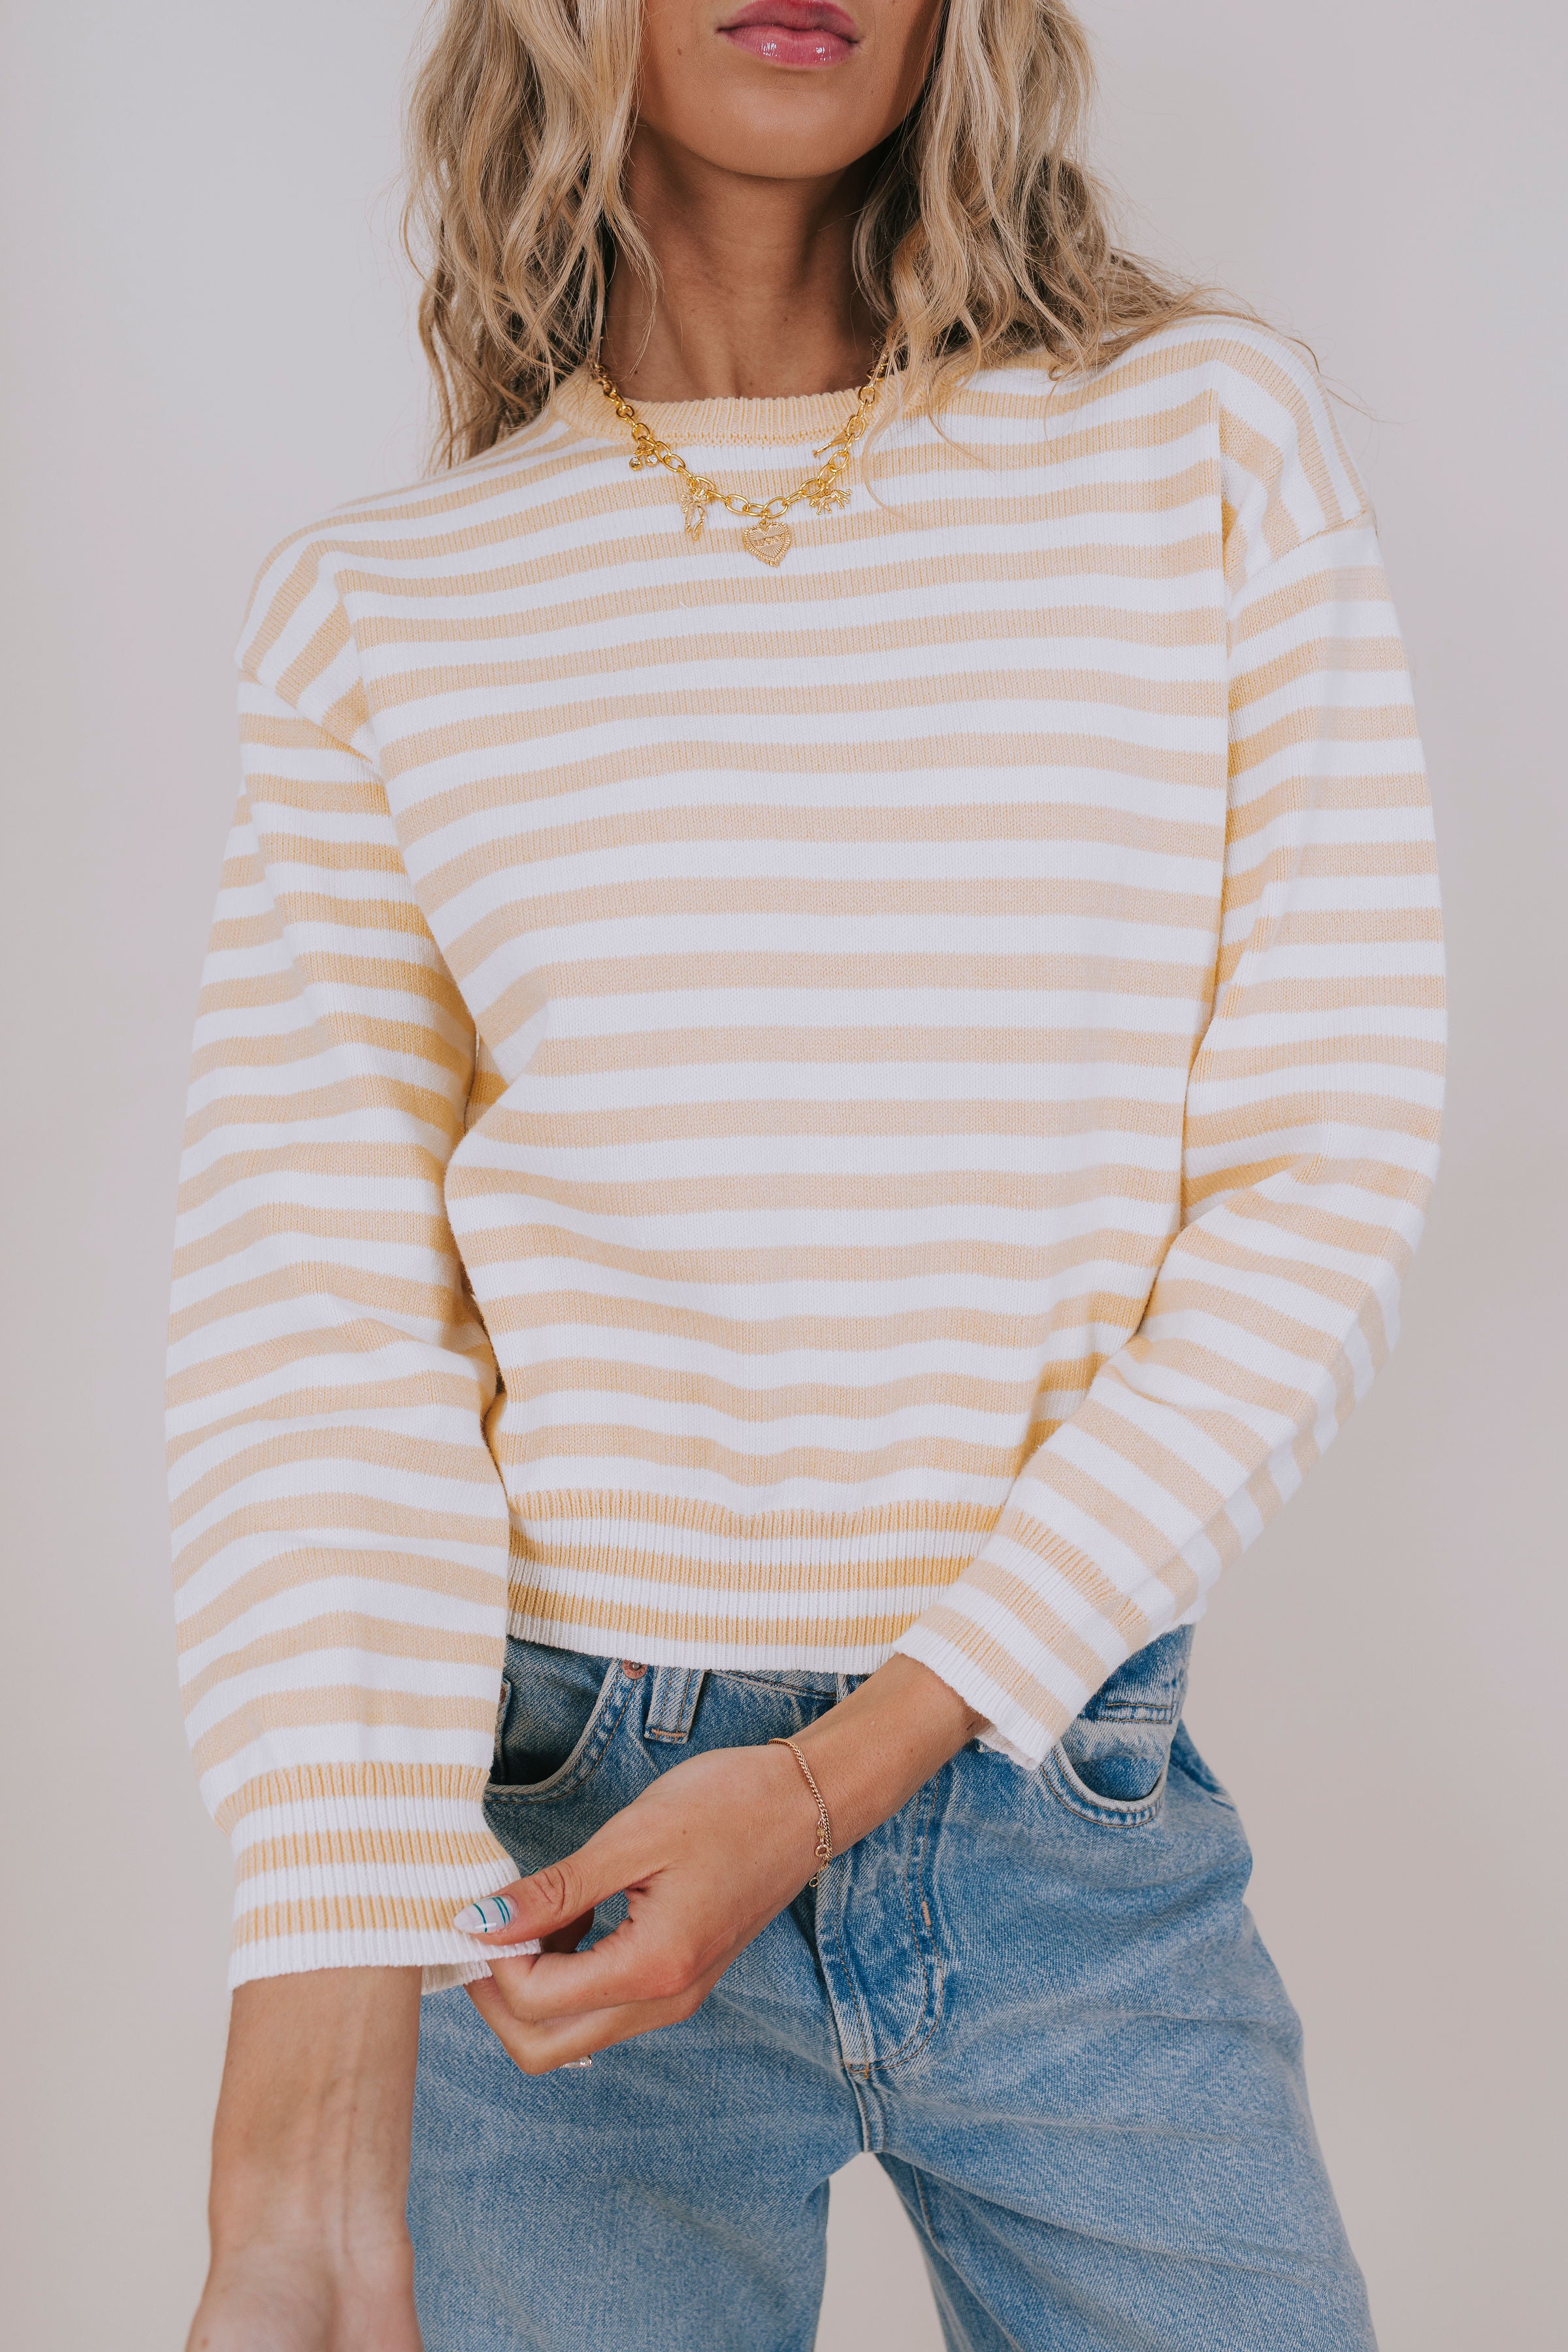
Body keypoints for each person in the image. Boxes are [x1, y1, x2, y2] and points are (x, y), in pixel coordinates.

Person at [171, 0, 1445, 2344]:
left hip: (1061, 1782)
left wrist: (845, 1769)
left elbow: (1323, 1170)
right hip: (560, 1842)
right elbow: (322, 1333)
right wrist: (306, 2073)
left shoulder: (1198, 446)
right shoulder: (389, 605)